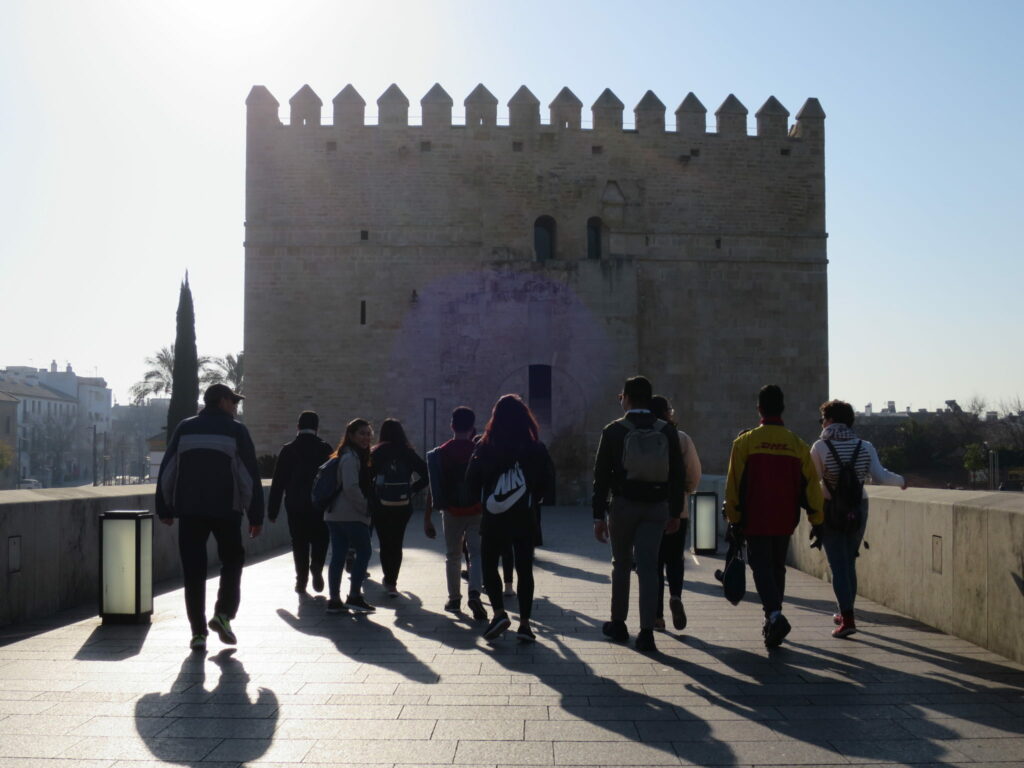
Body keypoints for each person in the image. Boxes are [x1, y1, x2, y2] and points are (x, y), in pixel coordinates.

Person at [156, 383, 264, 651]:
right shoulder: (236, 430)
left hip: (189, 510)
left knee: (193, 571)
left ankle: (198, 633)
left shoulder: (185, 427)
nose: (236, 407)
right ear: (223, 401)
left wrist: (165, 506)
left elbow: (168, 468)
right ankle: (223, 614)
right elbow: (248, 476)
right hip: (226, 510)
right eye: (234, 402)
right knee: (232, 560)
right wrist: (255, 514)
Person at [724, 384, 823, 648]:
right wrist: (817, 520)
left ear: (759, 409)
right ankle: (772, 619)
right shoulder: (798, 445)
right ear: (783, 408)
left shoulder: (744, 443)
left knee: (761, 568)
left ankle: (775, 615)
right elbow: (812, 487)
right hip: (785, 519)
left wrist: (734, 517)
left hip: (755, 518)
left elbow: (732, 485)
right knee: (777, 567)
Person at [592, 376, 686, 653]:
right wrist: (675, 512)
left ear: (628, 398)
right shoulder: (666, 430)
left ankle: (618, 624)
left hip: (623, 505)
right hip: (657, 506)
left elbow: (601, 477)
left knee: (621, 564)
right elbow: (677, 474)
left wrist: (598, 516)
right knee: (648, 567)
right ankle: (647, 631)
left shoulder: (613, 431)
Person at [810, 399, 906, 638]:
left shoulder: (820, 447)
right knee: (849, 561)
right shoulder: (865, 446)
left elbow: (812, 482)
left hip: (831, 509)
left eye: (823, 418)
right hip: (858, 507)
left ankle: (848, 619)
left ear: (830, 420)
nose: (822, 423)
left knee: (837, 565)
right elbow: (881, 477)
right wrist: (902, 481)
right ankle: (846, 613)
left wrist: (824, 498)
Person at [466, 394, 555, 643]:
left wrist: (485, 501)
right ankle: (525, 624)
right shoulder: (536, 448)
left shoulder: (484, 447)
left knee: (489, 563)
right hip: (524, 516)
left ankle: (499, 613)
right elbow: (547, 483)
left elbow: (471, 482)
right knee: (525, 569)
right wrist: (532, 498)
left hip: (494, 516)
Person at [425, 406, 488, 621]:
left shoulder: (439, 453)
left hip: (451, 511)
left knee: (453, 555)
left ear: (452, 425)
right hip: (477, 509)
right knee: (477, 553)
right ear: (472, 427)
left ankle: (454, 599)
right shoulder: (479, 450)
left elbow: (435, 486)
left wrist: (428, 516)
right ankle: (474, 592)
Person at [648, 395, 702, 632]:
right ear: (668, 413)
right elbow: (694, 472)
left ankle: (657, 616)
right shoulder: (681, 438)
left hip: (649, 510)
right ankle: (676, 596)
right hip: (677, 509)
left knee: (655, 563)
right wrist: (686, 492)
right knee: (675, 558)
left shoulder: (643, 437)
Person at [267, 410, 333, 595]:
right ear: (317, 428)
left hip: (295, 503)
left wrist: (272, 510)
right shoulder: (325, 448)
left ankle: (301, 579)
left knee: (299, 541)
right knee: (321, 537)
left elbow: (278, 482)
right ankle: (317, 567)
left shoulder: (288, 449)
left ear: (298, 427)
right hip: (318, 504)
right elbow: (334, 477)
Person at [369, 418, 428, 597]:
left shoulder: (376, 452)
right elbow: (427, 474)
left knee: (385, 542)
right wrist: (412, 490)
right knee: (397, 542)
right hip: (403, 505)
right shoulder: (407, 452)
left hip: (380, 504)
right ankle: (393, 582)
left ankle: (388, 579)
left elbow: (365, 478)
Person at [324, 418, 376, 615]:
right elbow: (351, 487)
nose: (366, 437)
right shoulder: (350, 458)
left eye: (368, 433)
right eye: (361, 433)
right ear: (351, 435)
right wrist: (365, 508)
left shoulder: (345, 455)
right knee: (364, 551)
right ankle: (354, 595)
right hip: (350, 514)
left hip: (335, 514)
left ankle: (335, 599)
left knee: (338, 556)